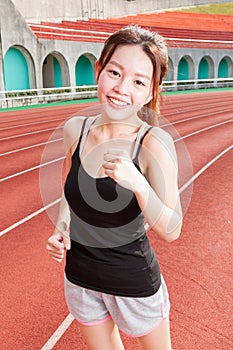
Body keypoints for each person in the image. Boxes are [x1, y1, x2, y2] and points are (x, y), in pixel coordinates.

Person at [46, 25, 183, 350]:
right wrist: (61, 227)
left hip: (134, 282)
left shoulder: (153, 143)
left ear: (151, 91)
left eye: (138, 81)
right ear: (99, 69)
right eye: (114, 72)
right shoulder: (74, 130)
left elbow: (173, 229)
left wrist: (138, 185)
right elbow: (70, 190)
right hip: (80, 279)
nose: (122, 88)